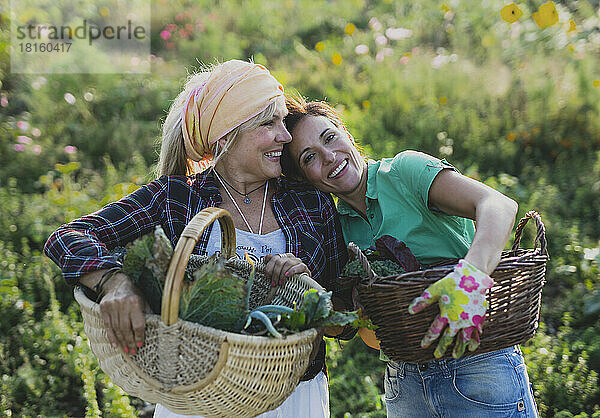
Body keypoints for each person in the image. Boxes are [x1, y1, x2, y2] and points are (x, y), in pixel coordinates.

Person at [44, 60, 351, 418]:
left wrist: (311, 291)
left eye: (283, 121)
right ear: (226, 137)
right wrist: (115, 282)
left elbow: (343, 317)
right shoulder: (178, 198)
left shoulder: (309, 202)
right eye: (269, 123)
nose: (285, 136)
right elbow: (68, 237)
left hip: (294, 398)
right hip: (196, 400)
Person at [281, 96, 539, 417]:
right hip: (406, 386)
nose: (329, 157)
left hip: (477, 363)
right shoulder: (338, 228)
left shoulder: (404, 172)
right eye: (310, 158)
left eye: (330, 138)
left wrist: (471, 277)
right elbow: (372, 339)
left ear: (346, 134)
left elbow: (498, 205)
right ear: (306, 178)